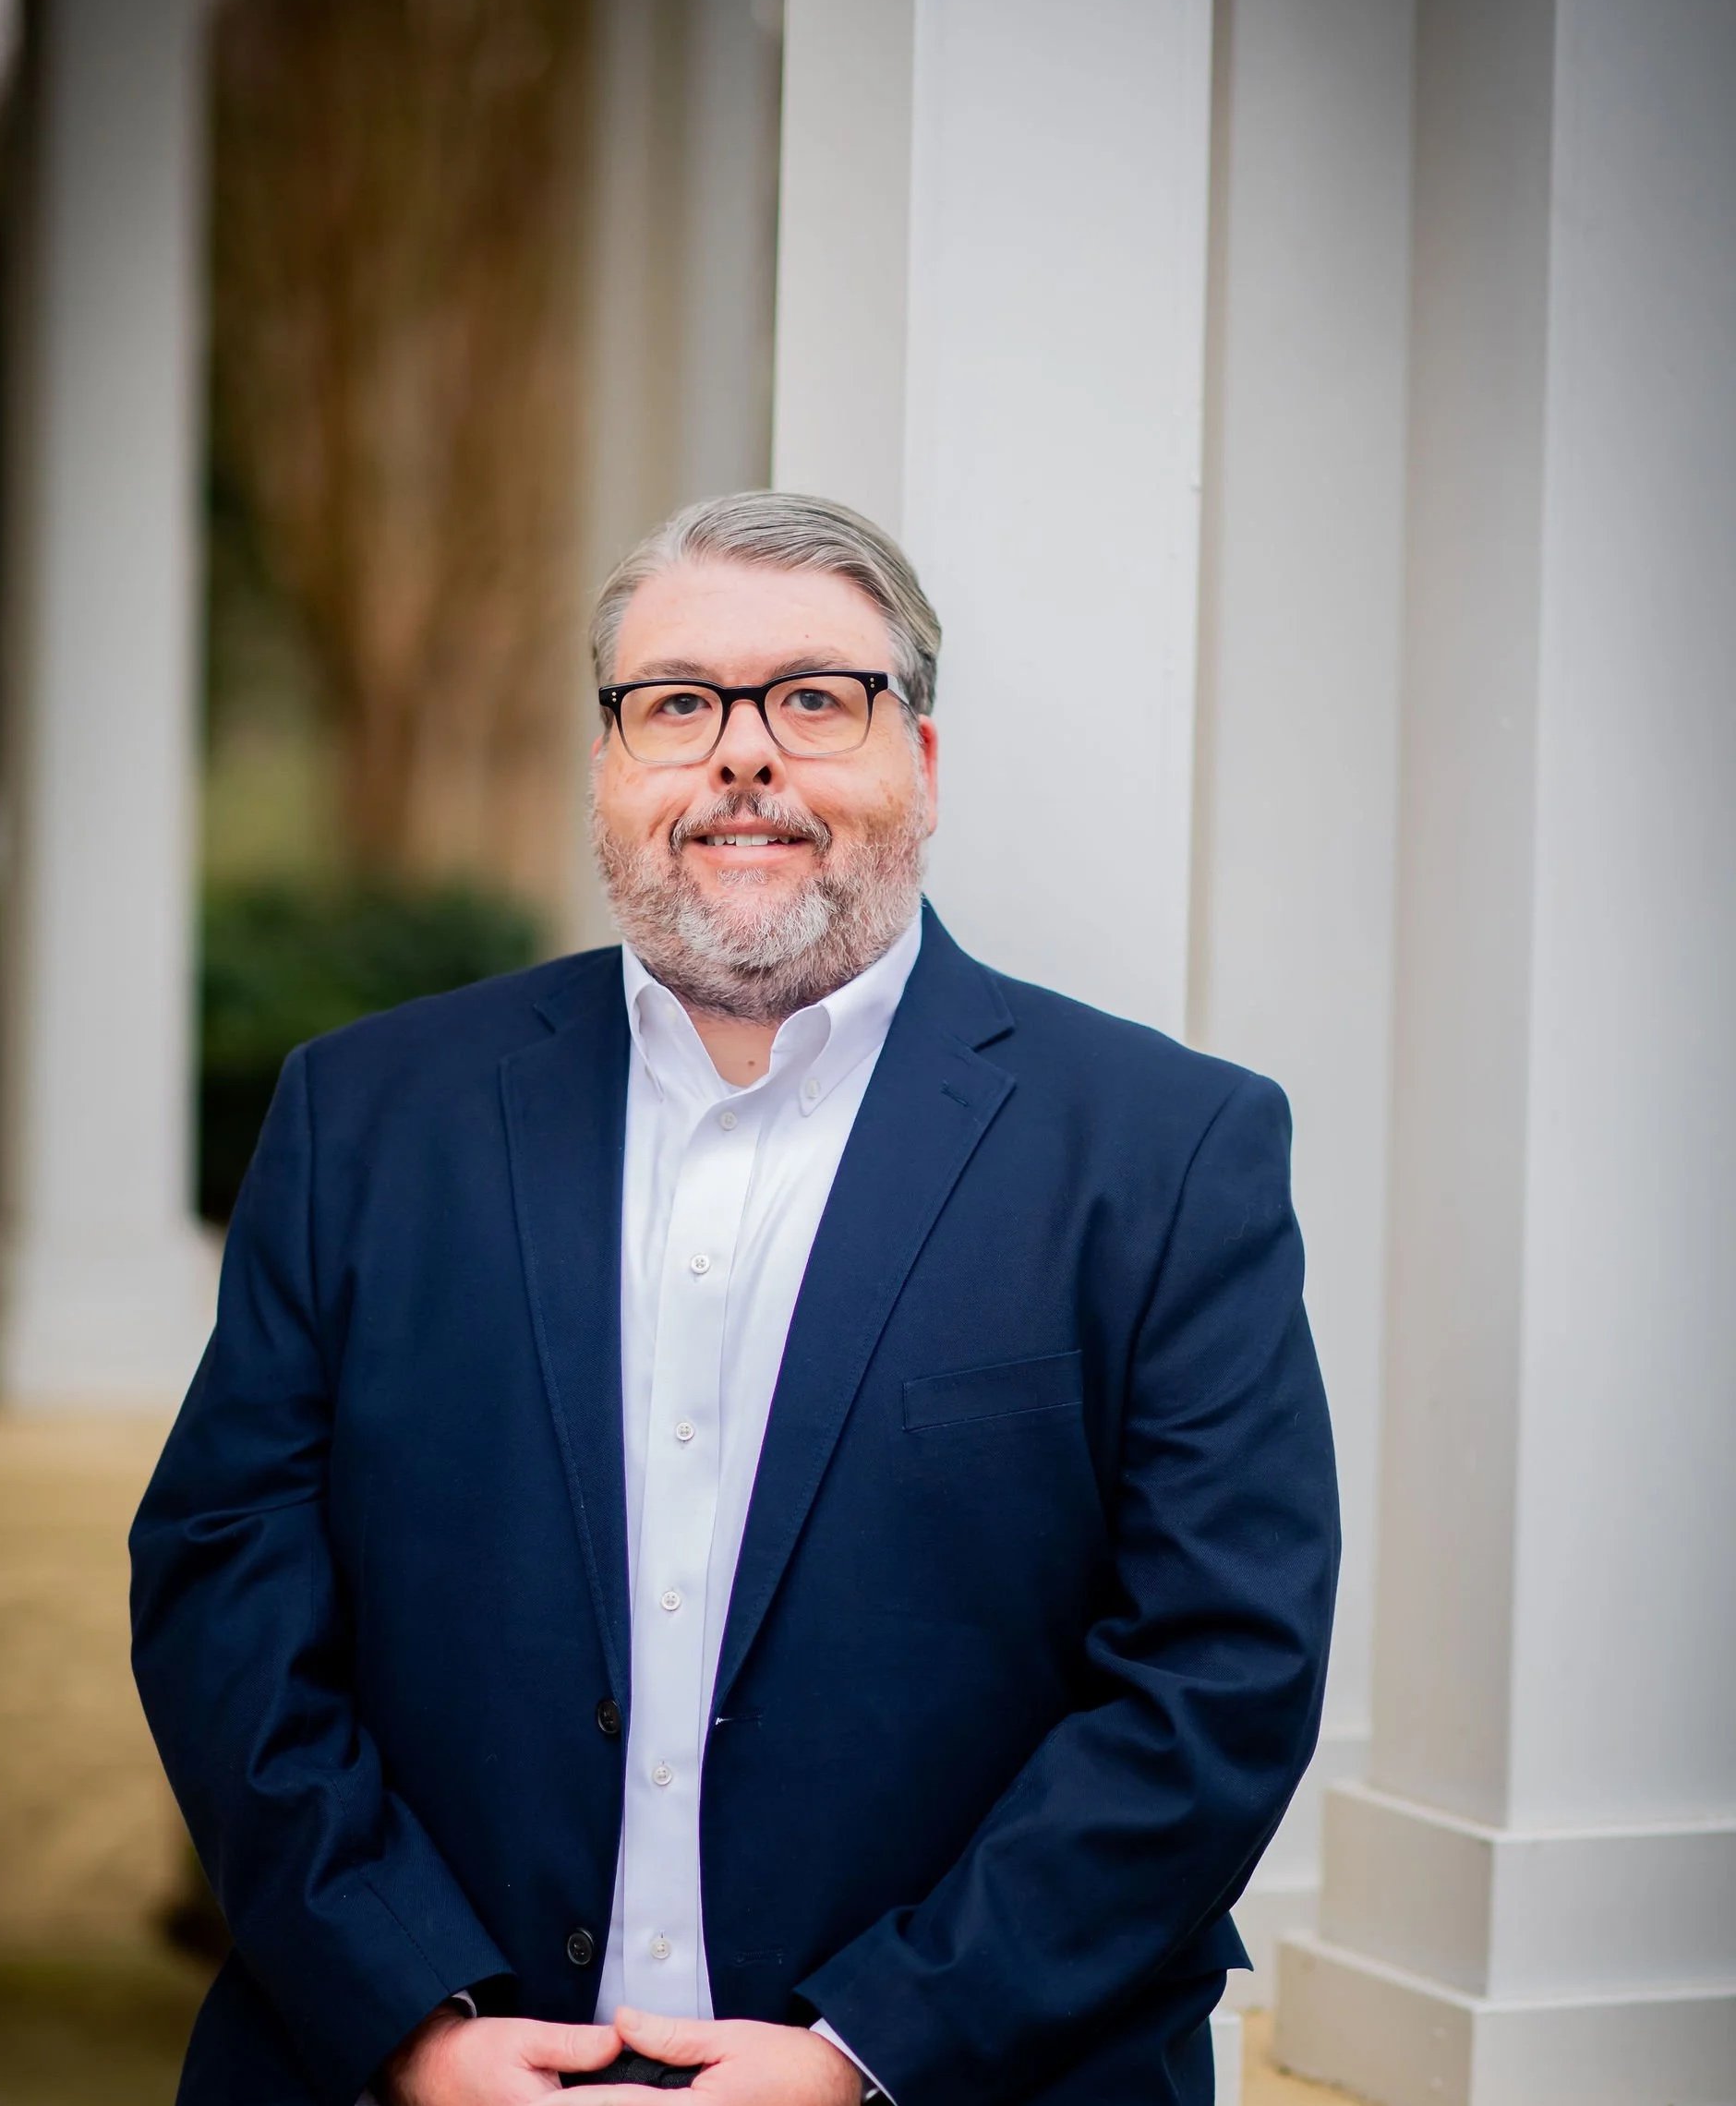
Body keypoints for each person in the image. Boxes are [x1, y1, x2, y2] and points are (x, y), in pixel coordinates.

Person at [131, 491, 1341, 2106]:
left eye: (814, 700)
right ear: (610, 770)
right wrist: (407, 2017)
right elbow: (228, 1587)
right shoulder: (366, 1116)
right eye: (678, 702)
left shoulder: (1164, 1149)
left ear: (921, 762)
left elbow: (1219, 1671)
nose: (743, 753)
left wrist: (869, 2050)